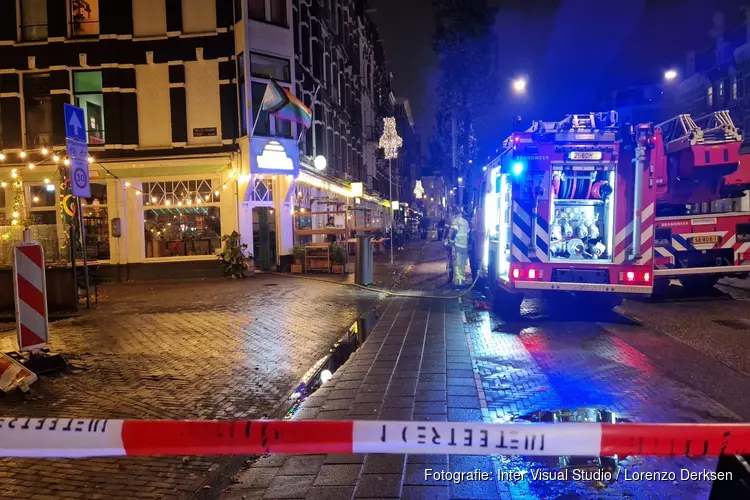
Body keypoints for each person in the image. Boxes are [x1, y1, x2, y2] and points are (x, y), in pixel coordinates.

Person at [449, 208, 470, 287]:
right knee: (462, 264)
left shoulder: (456, 221)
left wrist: (451, 242)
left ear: (455, 214)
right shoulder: (465, 222)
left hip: (457, 245)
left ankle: (458, 283)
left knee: (457, 264)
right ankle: (463, 281)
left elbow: (454, 233)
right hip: (464, 246)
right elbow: (468, 234)